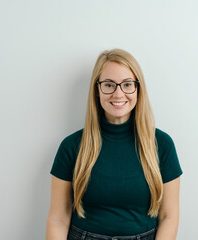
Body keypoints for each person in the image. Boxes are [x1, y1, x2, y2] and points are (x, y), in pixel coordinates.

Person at [46, 48, 183, 240]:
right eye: (109, 85)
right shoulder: (71, 147)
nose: (118, 94)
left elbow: (169, 216)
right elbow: (58, 219)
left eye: (127, 84)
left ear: (138, 89)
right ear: (97, 90)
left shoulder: (162, 145)